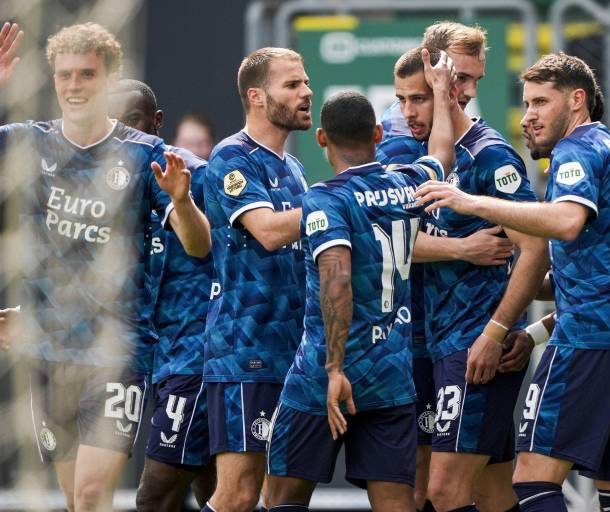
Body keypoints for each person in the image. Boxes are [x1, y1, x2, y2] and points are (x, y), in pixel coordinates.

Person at [416, 52, 610, 512]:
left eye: (541, 103)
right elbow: (595, 270)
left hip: (588, 339)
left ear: (577, 101)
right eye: (526, 104)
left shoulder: (578, 148)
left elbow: (566, 222)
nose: (529, 117)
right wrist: (533, 332)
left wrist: (472, 202)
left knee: (531, 482)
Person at [0, 21, 210, 512]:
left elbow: (198, 247)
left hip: (117, 352)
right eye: (65, 75)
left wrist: (182, 204)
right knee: (76, 501)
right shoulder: (29, 141)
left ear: (111, 78)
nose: (74, 86)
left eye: (87, 75)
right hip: (49, 349)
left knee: (94, 495)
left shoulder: (147, 155)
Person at [265, 49, 454, 512]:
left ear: (323, 138)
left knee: (283, 498)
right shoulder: (411, 183)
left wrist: (333, 369)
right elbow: (442, 154)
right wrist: (444, 94)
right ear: (376, 134)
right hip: (391, 374)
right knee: (395, 502)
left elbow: (337, 279)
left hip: (323, 376)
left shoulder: (324, 200)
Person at [380, 46, 548, 512]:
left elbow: (535, 249)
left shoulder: (492, 156)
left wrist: (499, 332)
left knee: (443, 491)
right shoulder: (408, 151)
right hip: (434, 344)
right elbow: (382, 243)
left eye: (418, 99)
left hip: (473, 346)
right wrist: (460, 248)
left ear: (447, 91)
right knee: (491, 493)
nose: (407, 112)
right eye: (401, 100)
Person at [201, 47, 311, 512]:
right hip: (247, 351)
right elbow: (267, 230)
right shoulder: (232, 156)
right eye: (292, 85)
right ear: (257, 96)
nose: (307, 92)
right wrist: (344, 205)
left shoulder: (295, 168)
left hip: (292, 352)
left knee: (278, 494)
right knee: (237, 493)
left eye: (305, 82)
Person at [108, 79, 216, 511]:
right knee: (216, 490)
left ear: (157, 123)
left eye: (132, 122)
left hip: (196, 357)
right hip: (158, 357)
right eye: (113, 122)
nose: (123, 134)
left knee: (155, 496)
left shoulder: (197, 179)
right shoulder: (113, 187)